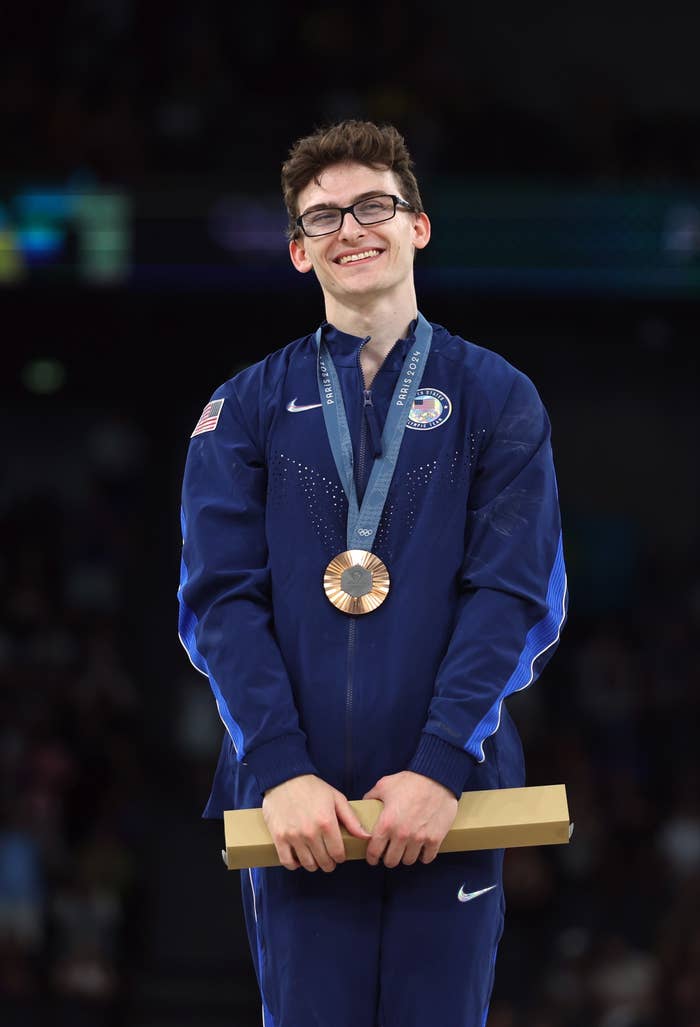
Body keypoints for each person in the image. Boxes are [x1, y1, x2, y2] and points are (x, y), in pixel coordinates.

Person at [177, 119, 568, 1027]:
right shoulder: (242, 409)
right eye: (323, 217)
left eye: (373, 205)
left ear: (418, 225)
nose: (350, 228)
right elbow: (219, 604)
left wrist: (439, 765)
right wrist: (278, 770)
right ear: (297, 251)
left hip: (452, 797)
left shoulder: (498, 396)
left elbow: (513, 596)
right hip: (298, 808)